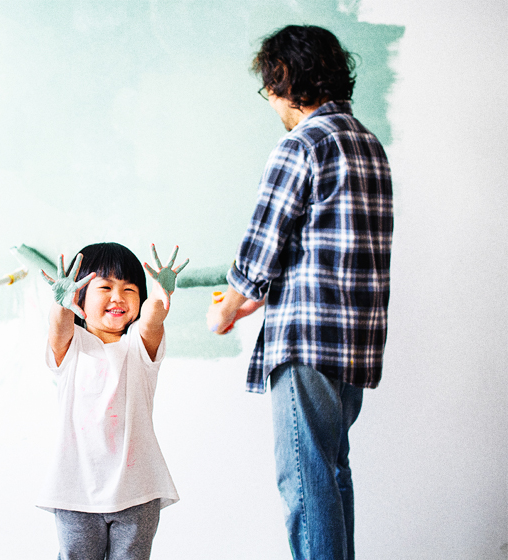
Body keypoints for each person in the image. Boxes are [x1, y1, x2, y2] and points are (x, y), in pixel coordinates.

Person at [206, 25, 393, 560]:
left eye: (270, 86)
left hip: (308, 341)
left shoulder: (303, 144)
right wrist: (263, 293)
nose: (270, 99)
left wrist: (230, 305)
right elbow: (330, 247)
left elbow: (262, 244)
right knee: (332, 472)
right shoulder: (368, 145)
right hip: (355, 341)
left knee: (306, 482)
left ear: (286, 79)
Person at [37, 242, 187, 560]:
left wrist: (160, 295)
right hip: (76, 490)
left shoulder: (139, 347)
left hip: (137, 492)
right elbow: (58, 325)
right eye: (105, 287)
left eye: (129, 289)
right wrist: (62, 304)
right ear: (79, 296)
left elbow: (153, 319)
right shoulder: (71, 346)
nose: (118, 297)